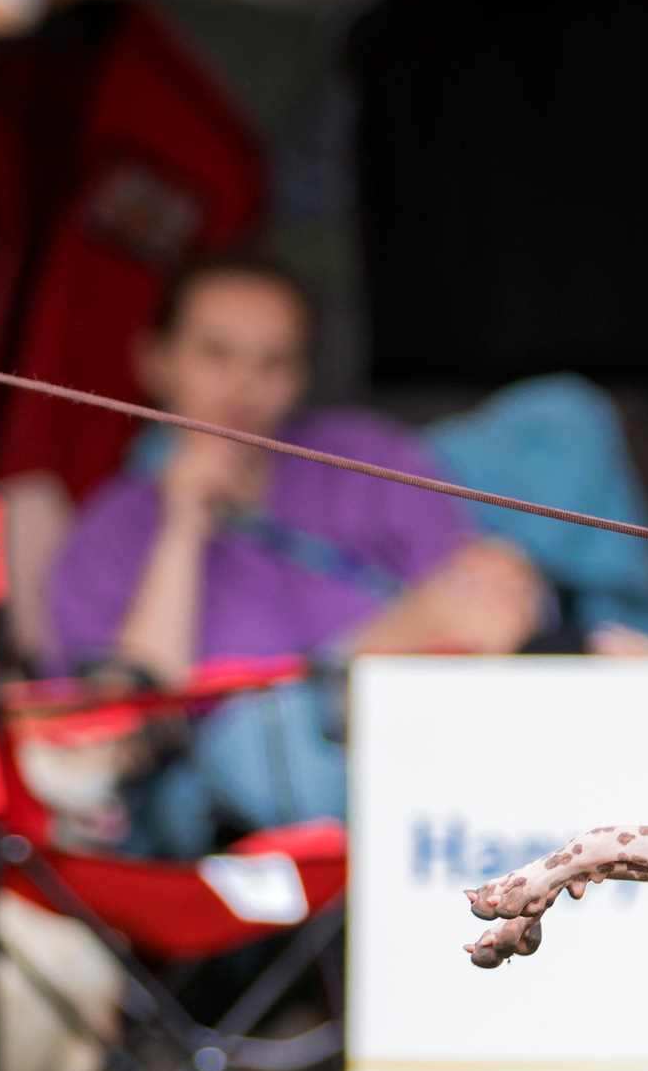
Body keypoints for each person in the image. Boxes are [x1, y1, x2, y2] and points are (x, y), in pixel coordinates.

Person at [45, 252, 538, 856]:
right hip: (222, 814)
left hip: (421, 753)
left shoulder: (365, 458)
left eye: (273, 362)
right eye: (216, 355)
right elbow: (131, 721)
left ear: (302, 376)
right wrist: (182, 527)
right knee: (248, 747)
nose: (243, 385)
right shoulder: (108, 531)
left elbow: (475, 608)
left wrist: (502, 586)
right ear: (155, 361)